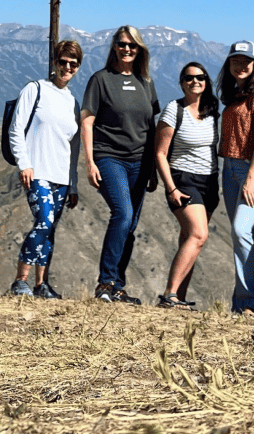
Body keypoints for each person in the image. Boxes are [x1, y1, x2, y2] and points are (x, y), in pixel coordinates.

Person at [81, 25, 160, 304]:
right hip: (109, 157)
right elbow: (87, 122)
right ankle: (105, 282)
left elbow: (151, 126)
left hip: (140, 162)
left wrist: (153, 168)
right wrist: (89, 162)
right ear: (114, 46)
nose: (127, 49)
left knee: (131, 224)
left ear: (140, 50)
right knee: (123, 215)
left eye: (132, 45)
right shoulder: (100, 80)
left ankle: (117, 286)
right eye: (122, 43)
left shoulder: (146, 82)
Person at [8, 39, 84, 299]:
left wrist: (73, 184)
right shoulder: (36, 89)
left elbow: (73, 148)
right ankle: (21, 280)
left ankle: (42, 284)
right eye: (63, 62)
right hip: (37, 171)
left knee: (50, 229)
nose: (67, 68)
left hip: (61, 176)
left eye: (73, 64)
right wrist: (24, 163)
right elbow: (16, 128)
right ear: (54, 62)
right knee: (44, 221)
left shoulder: (73, 102)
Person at [154, 62, 220, 310]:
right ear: (181, 83)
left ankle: (178, 299)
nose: (195, 81)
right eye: (189, 78)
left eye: (200, 77)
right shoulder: (174, 110)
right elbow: (160, 153)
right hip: (183, 180)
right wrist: (171, 188)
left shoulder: (212, 110)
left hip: (209, 182)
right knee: (198, 234)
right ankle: (169, 294)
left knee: (188, 240)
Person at [217, 40, 254, 314]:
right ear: (229, 63)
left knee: (241, 230)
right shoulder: (234, 93)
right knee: (240, 234)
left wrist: (251, 177)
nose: (241, 65)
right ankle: (240, 305)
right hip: (229, 168)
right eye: (236, 60)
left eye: (246, 61)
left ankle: (250, 302)